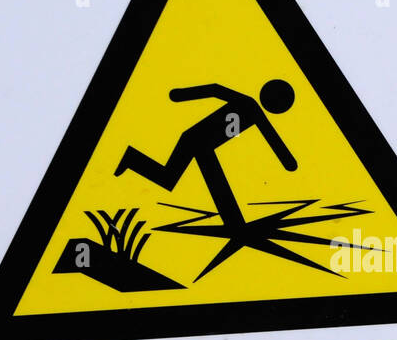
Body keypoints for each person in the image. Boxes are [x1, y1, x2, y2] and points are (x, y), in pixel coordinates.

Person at [115, 79, 297, 229]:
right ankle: (235, 224)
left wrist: (288, 161)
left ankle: (132, 158)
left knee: (169, 178)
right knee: (177, 178)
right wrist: (180, 94)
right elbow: (215, 90)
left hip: (199, 143)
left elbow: (272, 137)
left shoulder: (253, 109)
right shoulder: (248, 103)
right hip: (194, 140)